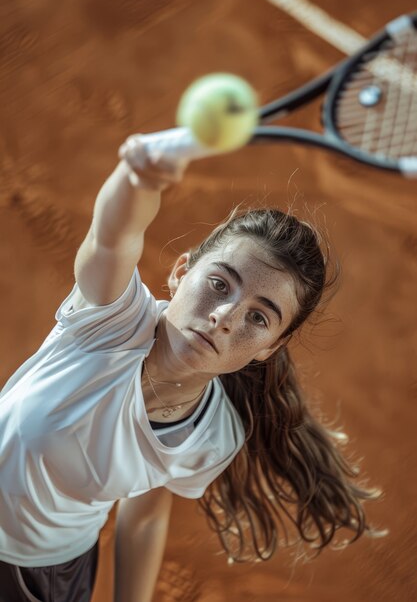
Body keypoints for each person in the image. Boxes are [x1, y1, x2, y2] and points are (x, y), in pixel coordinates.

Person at [0, 134, 380, 602]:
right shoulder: (110, 319)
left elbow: (145, 516)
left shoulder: (211, 437)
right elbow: (111, 235)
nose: (225, 316)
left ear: (270, 347)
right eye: (220, 284)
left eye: (258, 318)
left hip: (38, 576)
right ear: (182, 272)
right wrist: (137, 175)